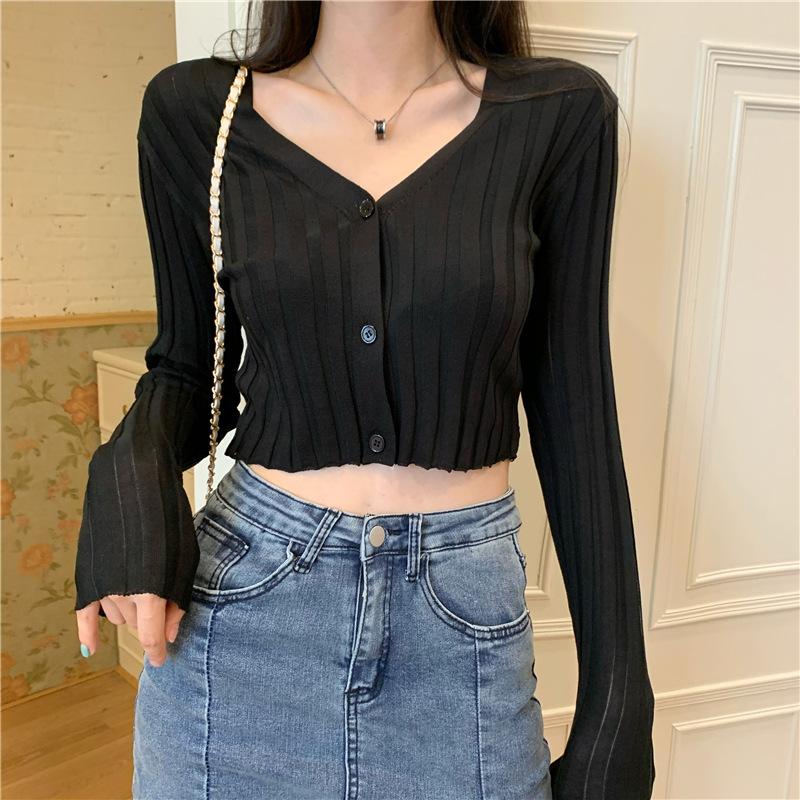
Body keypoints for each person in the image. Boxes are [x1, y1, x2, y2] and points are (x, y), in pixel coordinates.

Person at [72, 1, 656, 798]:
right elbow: (187, 368)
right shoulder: (198, 114)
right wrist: (125, 472)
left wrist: (620, 706)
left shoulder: (560, 114)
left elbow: (577, 421)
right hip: (241, 619)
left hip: (462, 643)